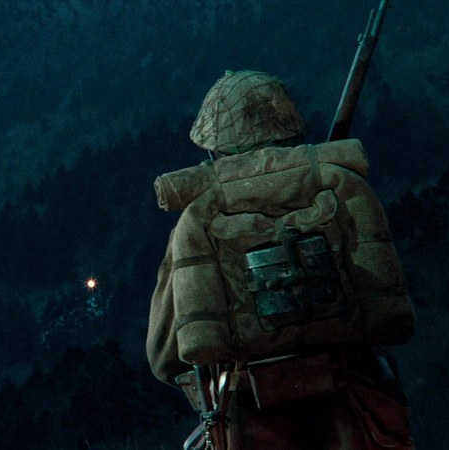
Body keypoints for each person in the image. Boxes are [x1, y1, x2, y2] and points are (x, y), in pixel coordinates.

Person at [146, 70, 415, 449]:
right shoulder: (345, 188)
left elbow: (164, 356)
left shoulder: (198, 218)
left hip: (247, 412)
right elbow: (389, 311)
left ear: (214, 149)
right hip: (353, 393)